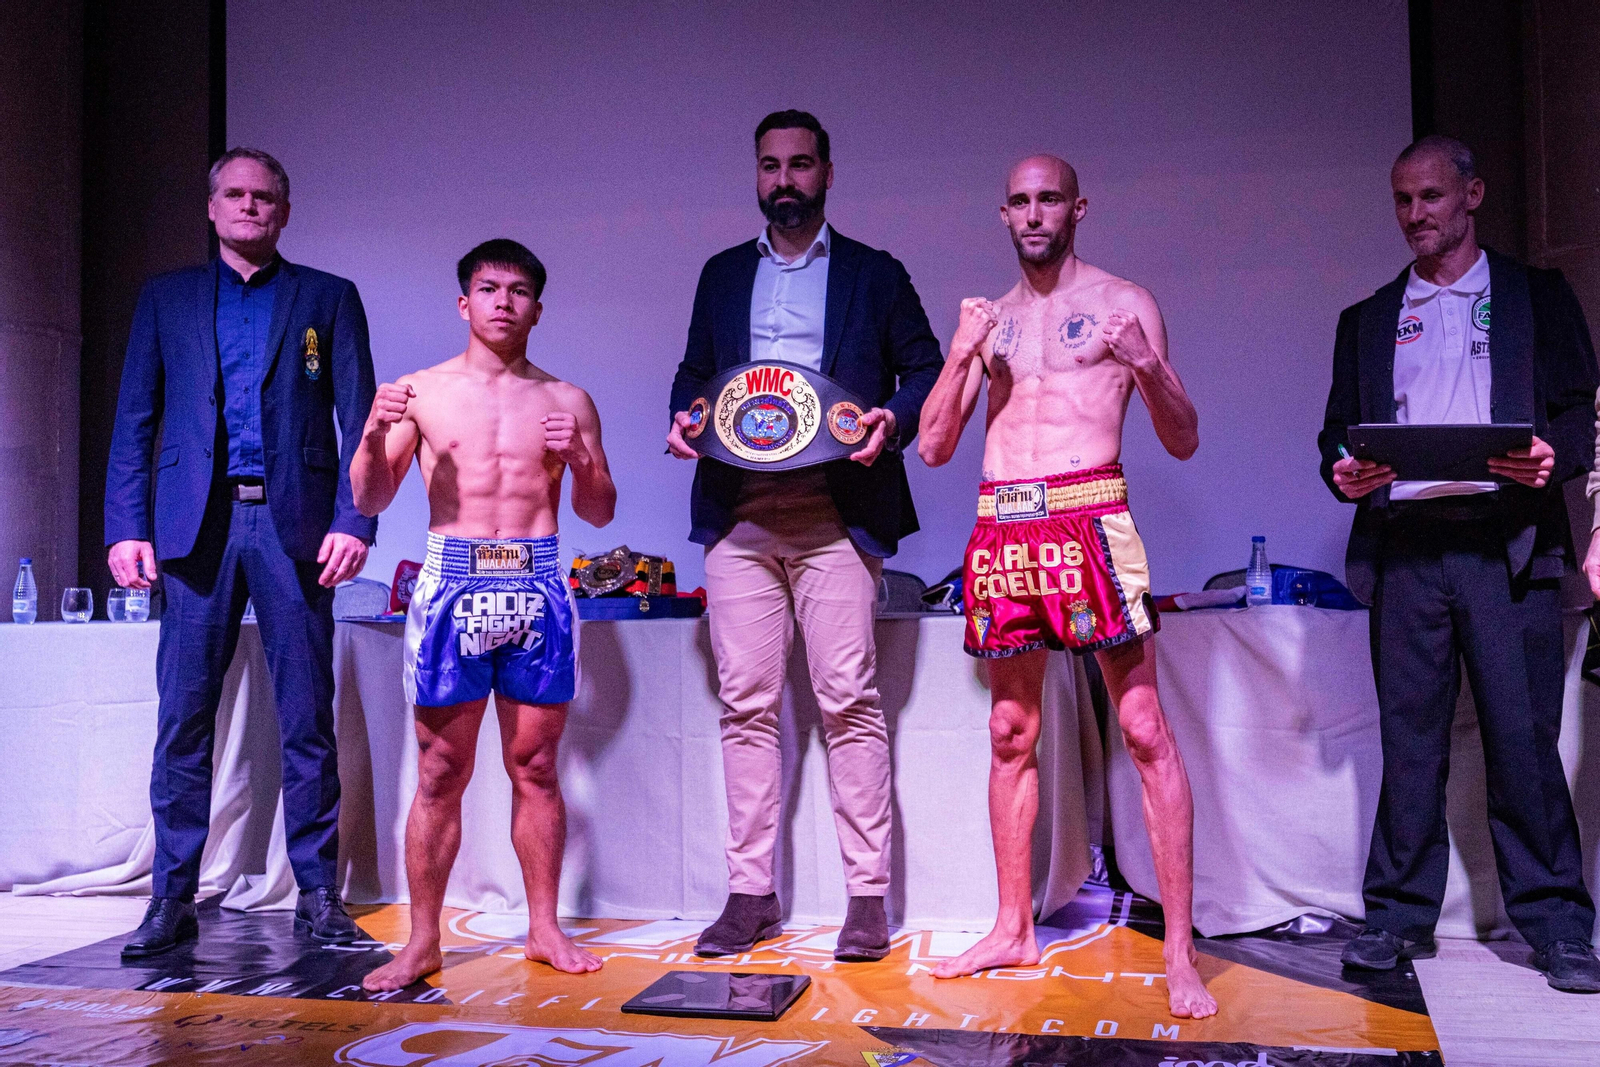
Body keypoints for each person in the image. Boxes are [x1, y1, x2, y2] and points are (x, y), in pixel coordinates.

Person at [917, 154, 1215, 1018]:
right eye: (1019, 200)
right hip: (1004, 522)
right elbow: (935, 446)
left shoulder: (1126, 304)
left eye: (1050, 198)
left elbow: (1185, 437)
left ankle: (1184, 953)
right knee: (1011, 729)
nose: (1035, 213)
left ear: (1078, 207)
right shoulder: (990, 321)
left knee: (1143, 725)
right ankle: (1013, 925)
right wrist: (961, 354)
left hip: (1090, 515)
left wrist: (1146, 364)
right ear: (1003, 214)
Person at [1320, 136, 1600, 992]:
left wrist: (1552, 457)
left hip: (1505, 543)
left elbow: (1576, 413)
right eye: (1403, 200)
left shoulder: (1534, 296)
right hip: (1407, 549)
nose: (1415, 216)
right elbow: (1335, 433)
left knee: (1523, 742)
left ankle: (1557, 925)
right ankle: (1396, 918)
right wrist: (1343, 468)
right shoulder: (1367, 318)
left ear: (1473, 195)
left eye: (1432, 198)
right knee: (1410, 747)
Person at [665, 110, 942, 961]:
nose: (784, 179)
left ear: (827, 172)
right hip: (740, 515)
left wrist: (890, 422)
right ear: (756, 175)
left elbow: (925, 367)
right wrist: (682, 416)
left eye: (799, 165)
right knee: (745, 707)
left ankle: (867, 898)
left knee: (848, 703)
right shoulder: (719, 275)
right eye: (770, 166)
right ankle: (751, 894)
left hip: (835, 512)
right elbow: (692, 375)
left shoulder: (874, 273)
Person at [106, 148, 375, 955]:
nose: (250, 207)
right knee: (183, 718)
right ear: (212, 207)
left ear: (284, 212)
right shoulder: (167, 299)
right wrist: (127, 526)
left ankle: (319, 894)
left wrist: (355, 521)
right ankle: (171, 898)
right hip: (195, 531)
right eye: (235, 194)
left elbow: (362, 419)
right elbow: (135, 419)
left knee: (306, 721)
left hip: (292, 527)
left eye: (265, 197)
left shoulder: (328, 297)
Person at [354, 239, 615, 989]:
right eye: (489, 288)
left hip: (536, 582)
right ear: (464, 302)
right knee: (440, 767)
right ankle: (423, 940)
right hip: (454, 582)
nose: (504, 301)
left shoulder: (568, 400)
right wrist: (373, 433)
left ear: (538, 307)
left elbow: (598, 513)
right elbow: (371, 497)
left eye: (520, 290)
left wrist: (586, 463)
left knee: (535, 765)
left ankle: (543, 928)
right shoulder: (422, 392)